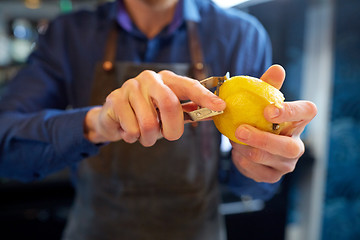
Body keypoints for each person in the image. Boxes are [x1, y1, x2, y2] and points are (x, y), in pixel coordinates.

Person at [0, 0, 317, 239]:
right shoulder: (69, 34)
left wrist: (263, 162)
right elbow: (6, 147)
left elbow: (251, 185)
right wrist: (96, 123)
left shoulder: (241, 34)